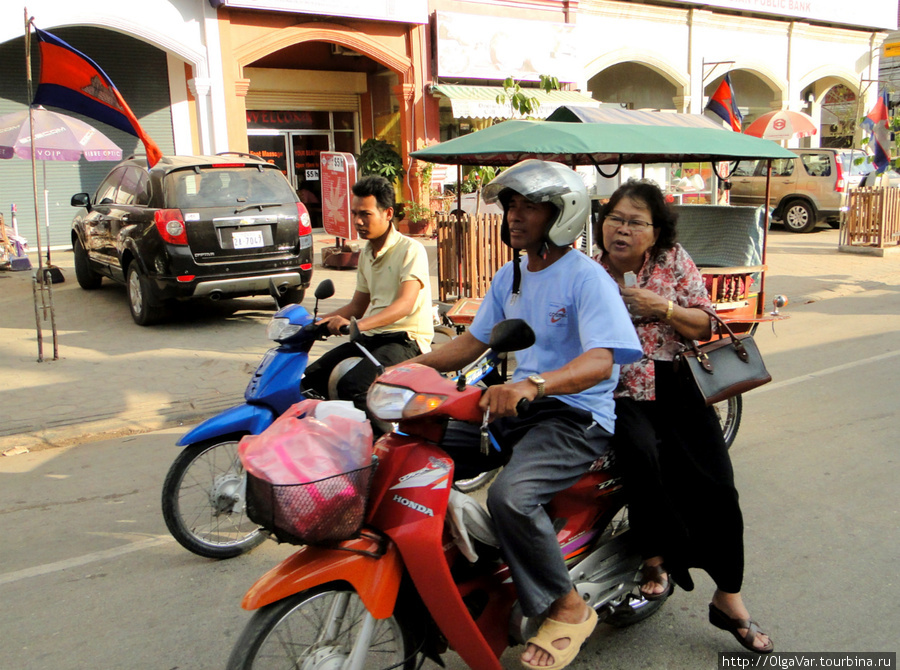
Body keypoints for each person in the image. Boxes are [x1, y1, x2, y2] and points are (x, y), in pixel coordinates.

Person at [398, 160, 642, 670]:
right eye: (510, 204)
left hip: (574, 415)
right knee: (413, 449)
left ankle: (568, 607)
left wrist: (534, 383)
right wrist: (403, 372)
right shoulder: (511, 275)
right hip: (518, 408)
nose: (513, 215)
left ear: (562, 213)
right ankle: (464, 570)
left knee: (512, 497)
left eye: (528, 206)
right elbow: (471, 342)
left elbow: (602, 361)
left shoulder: (586, 278)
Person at [592, 178, 774, 654]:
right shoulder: (590, 272)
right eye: (615, 218)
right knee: (644, 458)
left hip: (677, 384)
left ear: (656, 232)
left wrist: (663, 307)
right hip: (621, 392)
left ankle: (728, 596)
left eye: (635, 222)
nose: (622, 230)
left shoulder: (674, 262)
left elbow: (705, 323)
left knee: (716, 483)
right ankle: (654, 558)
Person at [301, 175, 433, 412]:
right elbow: (356, 307)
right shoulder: (366, 254)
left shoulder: (411, 250)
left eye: (365, 214)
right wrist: (313, 324)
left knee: (354, 386)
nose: (358, 221)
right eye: (354, 214)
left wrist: (357, 326)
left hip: (405, 340)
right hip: (372, 337)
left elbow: (405, 305)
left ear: (388, 213)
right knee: (310, 379)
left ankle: (382, 445)